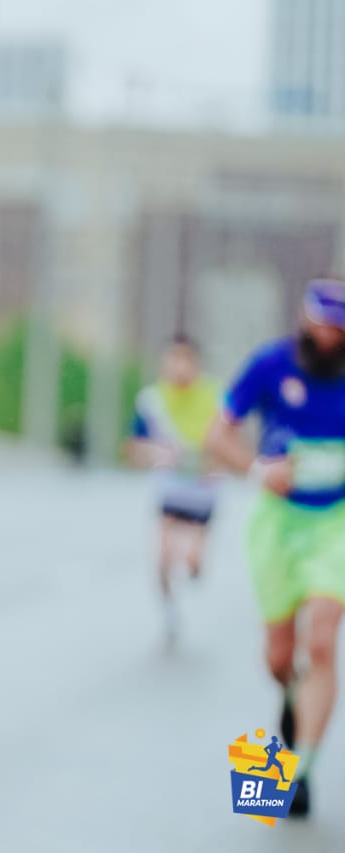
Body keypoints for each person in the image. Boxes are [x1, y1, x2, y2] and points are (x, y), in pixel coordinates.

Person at [205, 276, 345, 818]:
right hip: (278, 522)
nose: (330, 337)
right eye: (323, 325)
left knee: (322, 641)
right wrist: (258, 469)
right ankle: (290, 695)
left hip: (336, 521)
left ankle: (299, 772)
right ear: (306, 319)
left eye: (340, 329)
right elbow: (217, 436)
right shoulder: (271, 364)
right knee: (280, 655)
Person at [125, 335, 222, 644]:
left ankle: (196, 562)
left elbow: (231, 442)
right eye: (173, 360)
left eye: (185, 360)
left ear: (196, 364)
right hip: (170, 490)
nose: (179, 367)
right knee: (163, 558)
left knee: (192, 563)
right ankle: (169, 612)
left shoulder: (215, 397)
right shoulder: (152, 400)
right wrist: (157, 453)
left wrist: (213, 459)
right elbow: (133, 449)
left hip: (203, 494)